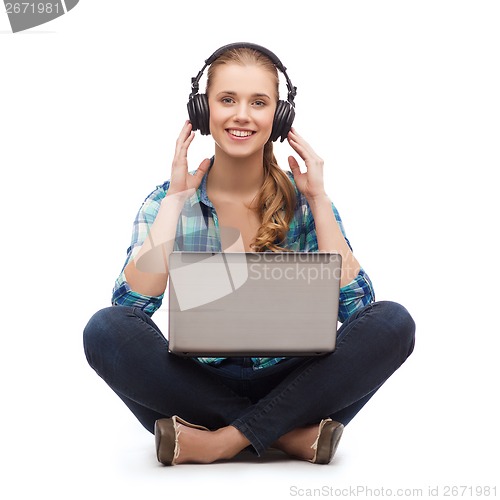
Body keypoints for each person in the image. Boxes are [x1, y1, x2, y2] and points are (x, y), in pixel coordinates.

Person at [83, 43, 416, 466]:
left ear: (279, 118)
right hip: (196, 382)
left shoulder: (306, 202)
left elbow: (358, 312)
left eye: (259, 103)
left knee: (394, 321)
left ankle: (218, 442)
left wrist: (318, 200)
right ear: (204, 111)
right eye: (227, 100)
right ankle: (289, 436)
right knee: (103, 329)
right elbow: (129, 310)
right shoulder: (167, 200)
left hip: (297, 381)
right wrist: (174, 204)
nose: (242, 114)